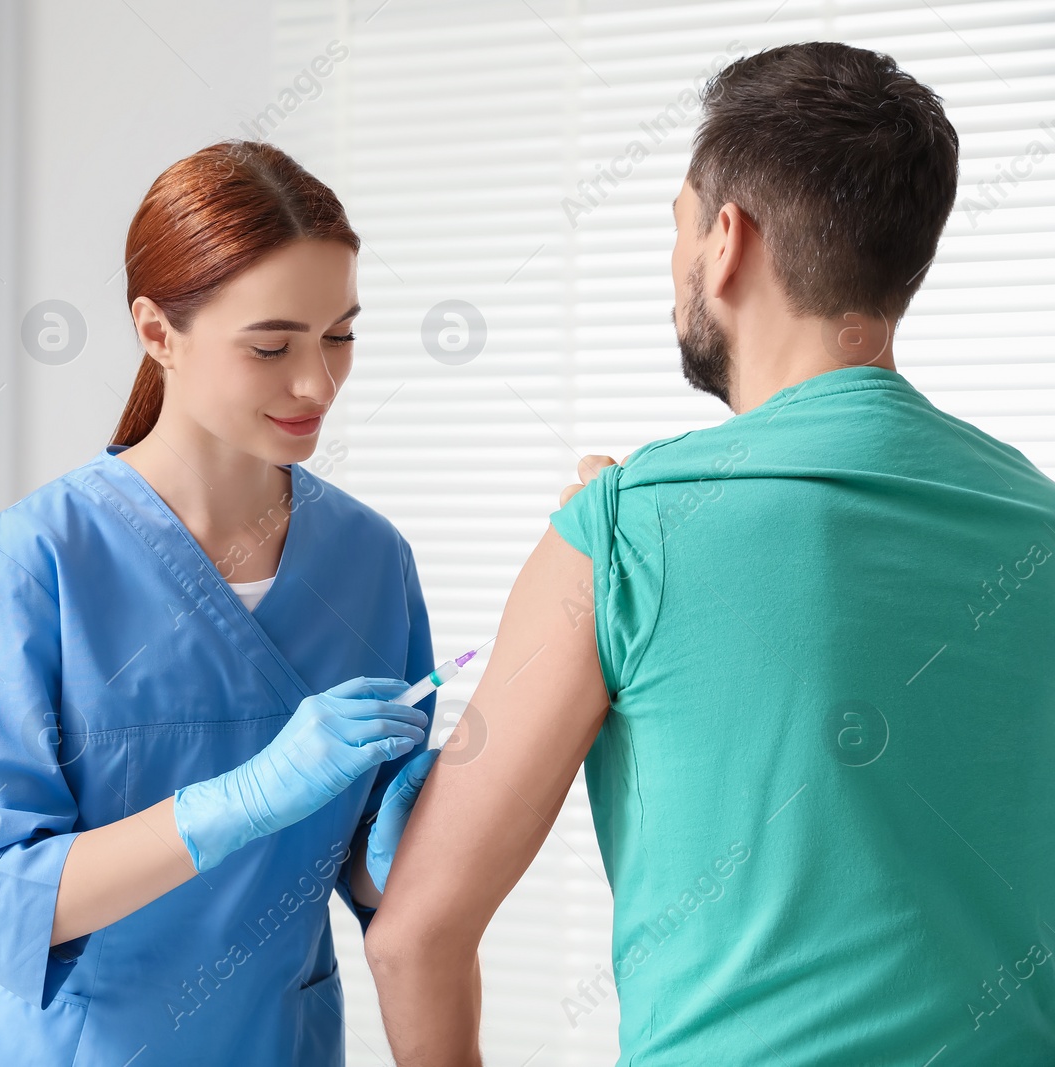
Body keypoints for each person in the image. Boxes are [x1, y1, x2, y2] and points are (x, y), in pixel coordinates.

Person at [364, 42, 1055, 1064]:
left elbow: (414, 936)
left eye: (678, 226)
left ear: (725, 241)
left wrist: (604, 551)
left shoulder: (621, 532)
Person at [0, 140, 443, 1066]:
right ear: (157, 331)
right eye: (272, 345)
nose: (317, 382)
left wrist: (397, 847)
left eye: (341, 335)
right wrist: (234, 803)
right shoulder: (38, 562)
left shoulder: (370, 562)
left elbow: (365, 863)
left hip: (273, 1039)